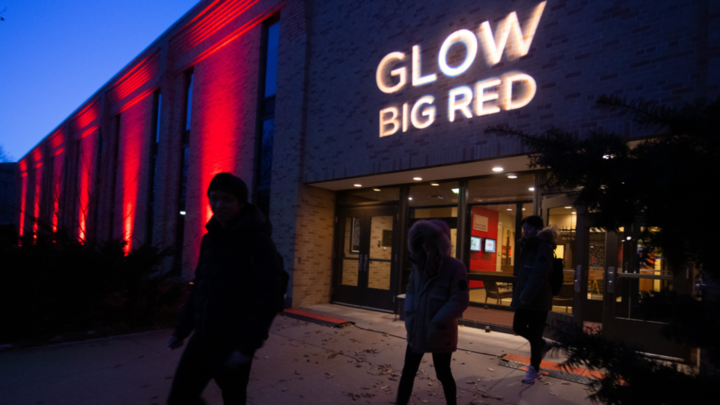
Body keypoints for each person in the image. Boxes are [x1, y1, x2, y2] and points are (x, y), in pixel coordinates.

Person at [166, 172, 284, 405]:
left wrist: (247, 347)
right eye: (214, 198)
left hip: (233, 342)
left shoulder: (258, 241)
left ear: (241, 203)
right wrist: (181, 330)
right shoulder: (209, 240)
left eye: (227, 199)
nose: (218, 205)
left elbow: (269, 296)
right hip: (202, 337)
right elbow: (201, 288)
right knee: (179, 398)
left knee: (233, 398)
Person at [397, 219, 469, 405]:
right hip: (417, 326)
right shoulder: (418, 264)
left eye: (430, 243)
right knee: (408, 371)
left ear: (440, 244)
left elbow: (459, 299)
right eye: (422, 243)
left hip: (440, 330)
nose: (426, 247)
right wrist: (410, 313)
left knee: (443, 373)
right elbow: (411, 288)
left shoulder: (455, 267)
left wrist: (438, 321)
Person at [511, 215, 557, 384]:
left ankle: (534, 370)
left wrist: (525, 297)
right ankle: (543, 344)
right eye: (524, 229)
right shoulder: (529, 246)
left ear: (538, 229)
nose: (525, 232)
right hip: (525, 298)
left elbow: (539, 274)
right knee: (518, 327)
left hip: (538, 301)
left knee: (535, 334)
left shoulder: (543, 246)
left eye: (529, 229)